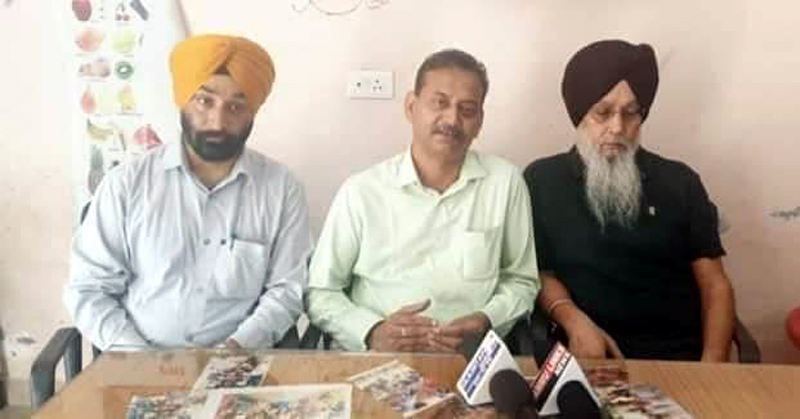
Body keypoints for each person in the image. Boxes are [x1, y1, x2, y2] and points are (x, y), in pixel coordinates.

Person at [64, 34, 312, 350]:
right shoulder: (127, 184)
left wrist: (238, 347)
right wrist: (138, 358)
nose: (217, 121)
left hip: (238, 363)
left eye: (236, 106)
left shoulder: (281, 188)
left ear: (253, 113)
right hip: (136, 359)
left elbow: (286, 290)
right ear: (183, 100)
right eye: (204, 100)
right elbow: (89, 288)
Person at [307, 49, 539, 352]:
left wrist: (486, 319)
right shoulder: (362, 191)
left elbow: (522, 281)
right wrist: (372, 332)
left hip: (470, 360)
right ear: (411, 107)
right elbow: (321, 292)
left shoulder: (505, 183)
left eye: (467, 109)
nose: (452, 119)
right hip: (377, 360)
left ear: (479, 122)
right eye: (439, 103)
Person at [524, 39, 735, 361]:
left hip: (677, 360)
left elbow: (715, 284)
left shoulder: (680, 181)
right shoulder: (542, 180)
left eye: (631, 112)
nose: (618, 127)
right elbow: (540, 273)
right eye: (603, 112)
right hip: (585, 356)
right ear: (579, 114)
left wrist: (713, 364)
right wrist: (573, 320)